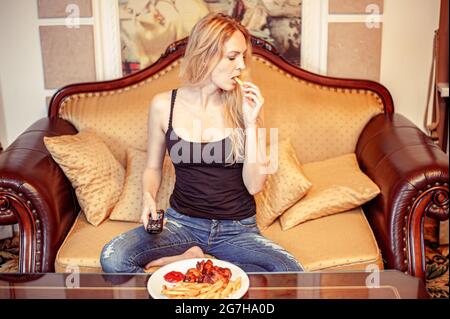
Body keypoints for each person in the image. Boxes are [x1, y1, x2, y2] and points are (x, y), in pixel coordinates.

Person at [100, 12, 303, 273]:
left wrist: (252, 123)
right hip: (181, 224)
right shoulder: (164, 106)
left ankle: (202, 259)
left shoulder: (247, 106)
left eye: (243, 56)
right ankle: (200, 257)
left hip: (237, 229)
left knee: (291, 272)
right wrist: (148, 197)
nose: (241, 66)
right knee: (113, 258)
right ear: (205, 56)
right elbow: (152, 167)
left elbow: (255, 185)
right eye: (232, 57)